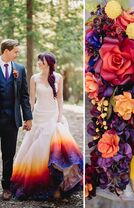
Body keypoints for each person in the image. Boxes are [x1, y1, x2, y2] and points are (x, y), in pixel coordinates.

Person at [11, 52, 83, 200]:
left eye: (41, 61)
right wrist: (28, 118)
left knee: (55, 150)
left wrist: (60, 115)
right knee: (37, 150)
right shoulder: (34, 78)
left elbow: (61, 98)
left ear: (49, 63)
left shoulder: (58, 78)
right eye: (38, 60)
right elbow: (31, 100)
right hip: (38, 116)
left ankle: (56, 185)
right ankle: (39, 183)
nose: (39, 63)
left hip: (53, 116)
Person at [0, 39, 32, 200]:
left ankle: (6, 187)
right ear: (6, 51)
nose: (17, 54)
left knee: (8, 154)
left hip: (11, 120)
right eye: (15, 51)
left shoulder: (19, 69)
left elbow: (24, 96)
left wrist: (28, 118)